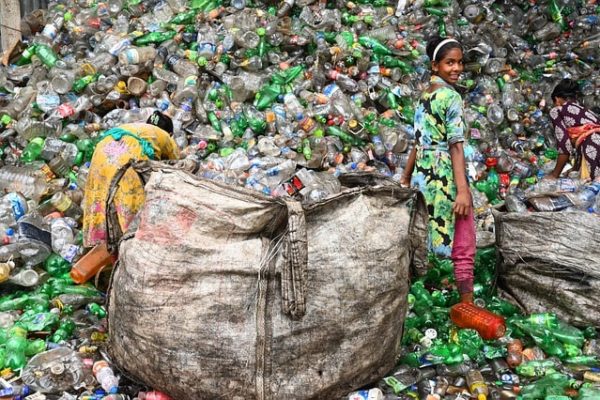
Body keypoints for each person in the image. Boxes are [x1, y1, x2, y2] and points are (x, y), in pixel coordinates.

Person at [400, 36, 475, 303]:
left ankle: (427, 293)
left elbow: (417, 143)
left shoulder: (424, 96)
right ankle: (466, 303)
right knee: (462, 236)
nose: (456, 68)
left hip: (422, 175)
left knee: (427, 233)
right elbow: (455, 145)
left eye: (459, 62)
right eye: (449, 63)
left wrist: (406, 177)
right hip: (444, 175)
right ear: (435, 66)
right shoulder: (451, 97)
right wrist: (463, 190)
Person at [82, 111, 180, 248]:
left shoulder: (136, 127)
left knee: (99, 196)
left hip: (102, 151)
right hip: (129, 155)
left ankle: (97, 246)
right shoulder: (166, 137)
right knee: (131, 203)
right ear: (170, 133)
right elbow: (177, 169)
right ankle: (132, 246)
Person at [548, 78, 600, 180]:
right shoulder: (587, 111)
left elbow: (564, 147)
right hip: (593, 145)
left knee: (594, 189)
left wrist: (554, 175)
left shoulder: (557, 110)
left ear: (557, 99)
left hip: (592, 147)